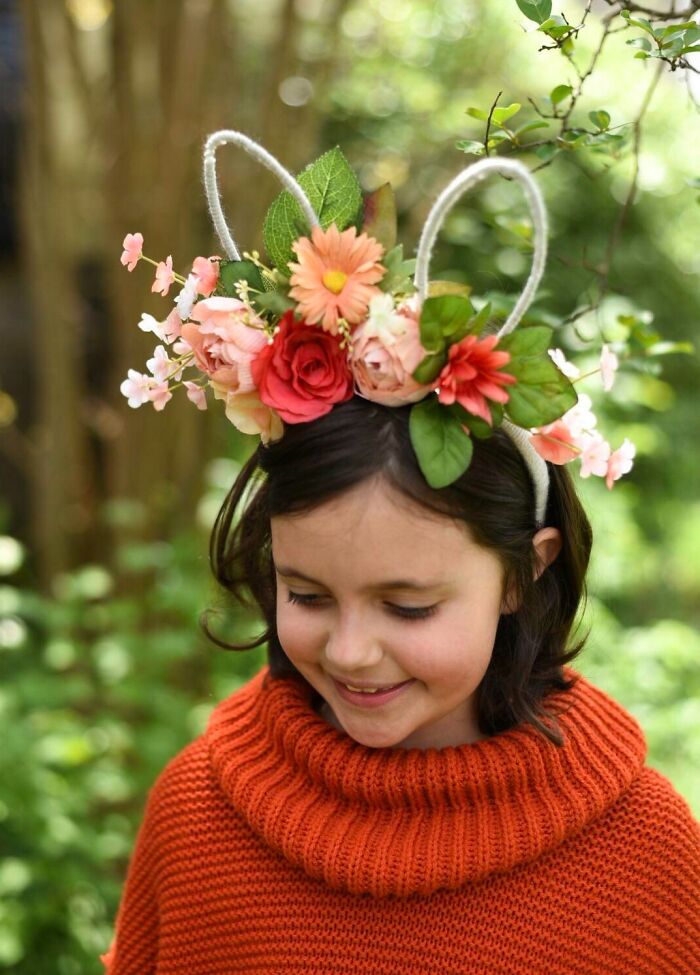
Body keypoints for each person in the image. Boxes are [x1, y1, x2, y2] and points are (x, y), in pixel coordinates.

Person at [104, 132, 699, 972]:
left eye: (408, 604)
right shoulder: (200, 817)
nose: (349, 650)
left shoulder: (641, 858)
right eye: (307, 594)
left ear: (523, 573)